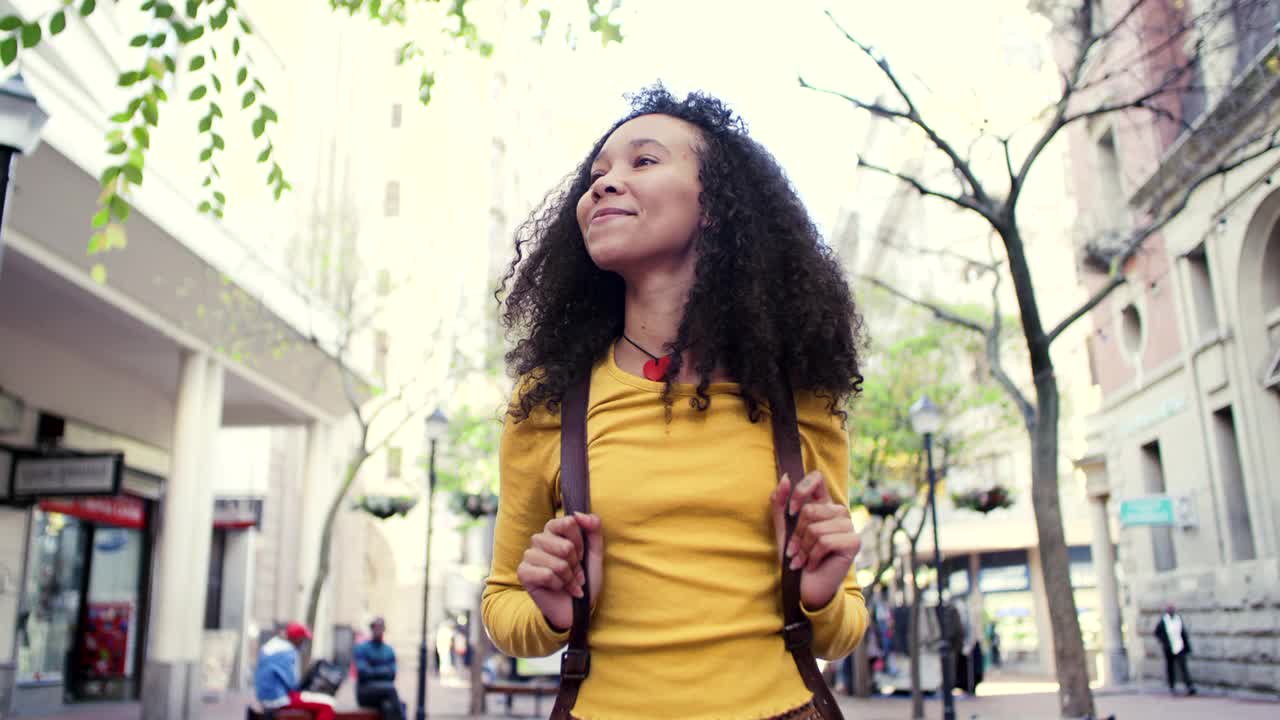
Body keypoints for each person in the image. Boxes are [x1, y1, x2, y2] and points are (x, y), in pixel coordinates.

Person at [483, 85, 869, 720]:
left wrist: (822, 593)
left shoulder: (801, 396)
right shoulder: (546, 403)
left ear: (714, 202)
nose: (603, 185)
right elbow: (503, 609)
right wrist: (555, 611)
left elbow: (842, 627)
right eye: (597, 174)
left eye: (643, 161)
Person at [254, 622, 335, 720]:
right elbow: (292, 683)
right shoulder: (287, 651)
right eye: (303, 639)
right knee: (327, 704)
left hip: (265, 697)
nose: (303, 642)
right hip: (278, 698)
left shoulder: (272, 645)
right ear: (297, 638)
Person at [354, 617, 404, 720]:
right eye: (375, 627)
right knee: (391, 689)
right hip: (365, 692)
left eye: (380, 627)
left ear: (384, 629)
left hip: (384, 694)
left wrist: (372, 670)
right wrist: (384, 670)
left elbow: (392, 674)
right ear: (371, 629)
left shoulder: (389, 650)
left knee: (389, 706)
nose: (378, 630)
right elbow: (363, 672)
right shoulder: (362, 648)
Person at [1155, 603, 1197, 695]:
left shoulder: (1178, 620)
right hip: (1169, 648)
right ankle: (1171, 686)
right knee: (1170, 668)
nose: (1171, 612)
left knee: (1183, 667)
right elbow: (1157, 632)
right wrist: (1164, 642)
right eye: (1169, 610)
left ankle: (1189, 686)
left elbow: (1183, 633)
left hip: (1179, 646)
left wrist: (1187, 647)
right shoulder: (1163, 621)